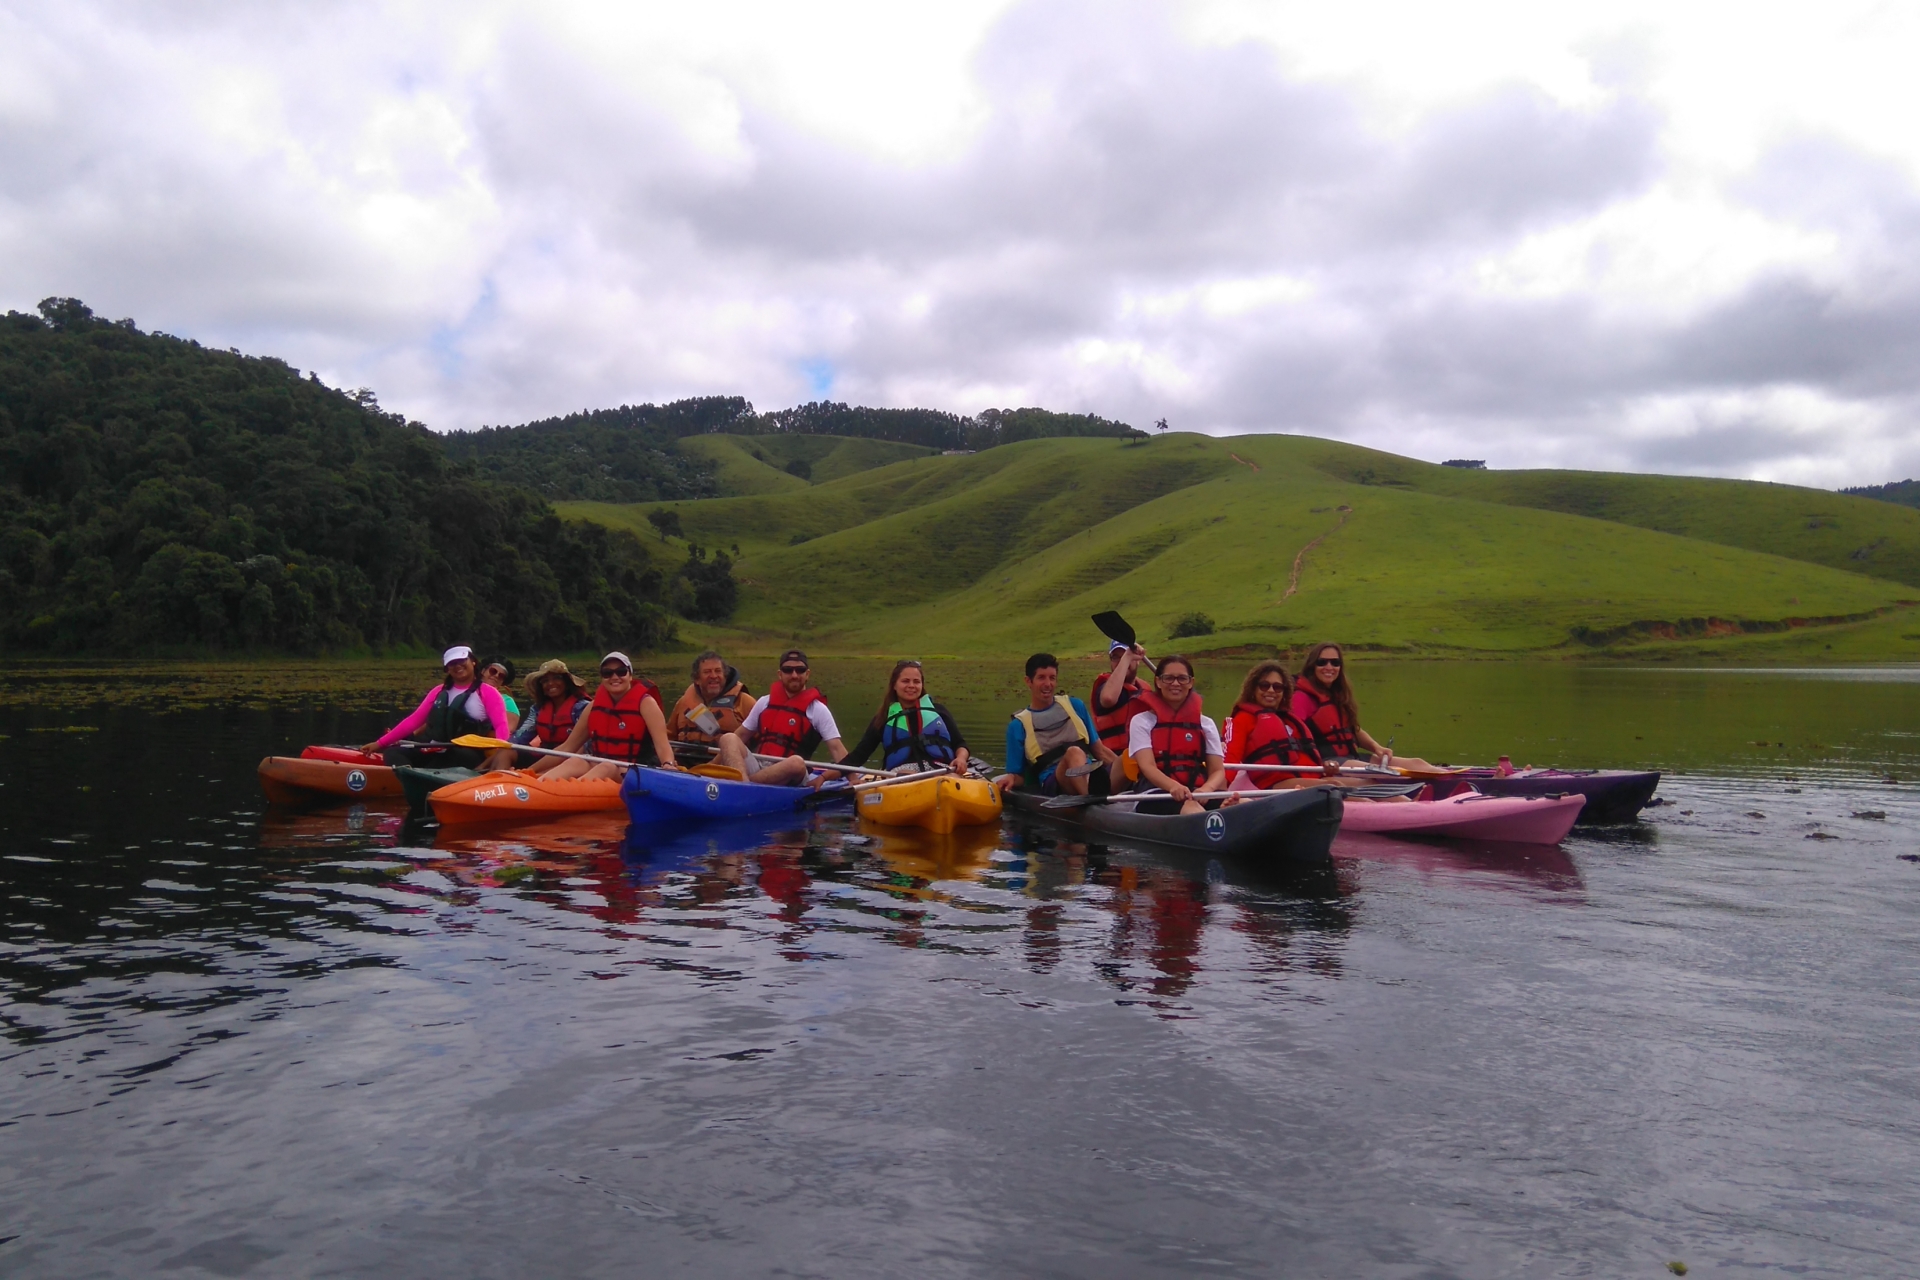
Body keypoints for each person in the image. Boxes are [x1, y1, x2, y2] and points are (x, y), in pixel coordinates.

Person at [531, 651, 682, 780]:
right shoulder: (593, 707)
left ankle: (568, 795)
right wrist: (531, 770)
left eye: (621, 671)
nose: (614, 677)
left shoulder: (646, 704)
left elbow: (663, 745)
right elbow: (567, 747)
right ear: (602, 678)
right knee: (576, 761)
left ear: (630, 676)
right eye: (607, 673)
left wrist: (668, 764)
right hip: (601, 764)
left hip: (635, 770)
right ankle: (537, 784)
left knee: (607, 767)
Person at [1290, 643, 1437, 771]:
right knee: (1384, 772)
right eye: (1322, 662)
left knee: (1417, 764)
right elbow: (1291, 735)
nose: (1329, 667)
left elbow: (1353, 730)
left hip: (1350, 757)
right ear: (1312, 666)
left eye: (1335, 663)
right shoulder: (1302, 698)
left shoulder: (1337, 694)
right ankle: (1415, 797)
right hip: (1328, 763)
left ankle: (1451, 785)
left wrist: (1377, 748)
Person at [362, 645, 512, 769]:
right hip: (437, 749)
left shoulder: (487, 692)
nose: (457, 666)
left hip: (468, 753)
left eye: (462, 660)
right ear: (447, 669)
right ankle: (408, 778)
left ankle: (422, 777)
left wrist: (500, 756)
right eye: (452, 663)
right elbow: (414, 721)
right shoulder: (439, 691)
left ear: (473, 662)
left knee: (449, 758)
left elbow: (501, 727)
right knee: (393, 753)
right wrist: (379, 743)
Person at [715, 649, 848, 786]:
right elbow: (741, 735)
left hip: (791, 774)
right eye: (788, 670)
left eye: (800, 670)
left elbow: (836, 748)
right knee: (728, 738)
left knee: (796, 762)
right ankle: (743, 786)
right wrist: (709, 766)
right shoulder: (764, 702)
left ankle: (744, 786)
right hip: (759, 766)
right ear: (780, 674)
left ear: (807, 674)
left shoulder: (818, 710)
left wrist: (853, 778)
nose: (794, 675)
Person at [996, 653, 1112, 797]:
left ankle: (1105, 790)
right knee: (1073, 752)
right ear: (1028, 681)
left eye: (1052, 678)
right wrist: (1011, 778)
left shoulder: (1075, 706)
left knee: (1127, 759)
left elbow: (1100, 751)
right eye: (1041, 678)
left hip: (1088, 771)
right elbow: (1018, 776)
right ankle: (1092, 796)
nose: (1048, 684)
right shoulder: (1018, 726)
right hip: (1054, 782)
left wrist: (1127, 766)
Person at [1127, 654, 1228, 816]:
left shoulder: (1206, 723)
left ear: (1191, 683)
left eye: (1182, 678)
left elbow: (1217, 770)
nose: (1175, 683)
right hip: (1156, 793)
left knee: (1244, 804)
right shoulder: (1141, 721)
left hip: (1197, 792)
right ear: (1158, 682)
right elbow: (1147, 766)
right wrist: (1173, 786)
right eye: (1168, 678)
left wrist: (1206, 790)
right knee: (1194, 811)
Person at [842, 659, 973, 776]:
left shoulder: (939, 711)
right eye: (905, 681)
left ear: (922, 685)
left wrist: (961, 758)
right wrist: (825, 777)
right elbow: (858, 756)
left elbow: (960, 744)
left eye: (916, 682)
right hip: (901, 774)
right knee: (907, 776)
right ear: (894, 685)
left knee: (949, 780)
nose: (911, 686)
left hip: (941, 770)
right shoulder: (883, 718)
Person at [1223, 662, 1336, 789]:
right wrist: (1218, 790)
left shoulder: (1290, 720)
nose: (1271, 691)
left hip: (1310, 779)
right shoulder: (1243, 719)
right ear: (1253, 689)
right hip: (1276, 784)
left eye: (1277, 687)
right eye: (1264, 686)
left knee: (1360, 783)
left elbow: (1306, 756)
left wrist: (1325, 767)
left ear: (1284, 692)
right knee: (1333, 786)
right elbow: (1230, 760)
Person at [667, 650, 753, 753]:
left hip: (726, 765)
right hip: (684, 764)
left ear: (725, 676)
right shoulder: (683, 703)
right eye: (707, 672)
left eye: (718, 671)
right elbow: (668, 737)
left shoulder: (744, 702)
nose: (713, 676)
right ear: (697, 679)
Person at [1091, 639, 1150, 791]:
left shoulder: (1146, 690)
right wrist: (1127, 658)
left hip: (1146, 761)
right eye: (1115, 658)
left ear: (1137, 660)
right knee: (1132, 756)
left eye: (1124, 655)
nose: (1120, 661)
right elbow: (1109, 699)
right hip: (1113, 767)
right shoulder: (1105, 688)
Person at [509, 659, 591, 767]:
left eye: (557, 678)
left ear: (566, 683)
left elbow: (583, 746)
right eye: (545, 681)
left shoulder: (581, 707)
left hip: (569, 760)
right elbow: (521, 736)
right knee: (508, 750)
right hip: (544, 757)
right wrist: (507, 744)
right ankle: (493, 776)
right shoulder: (538, 709)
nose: (551, 683)